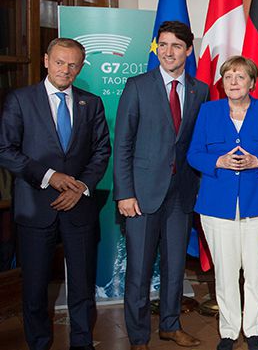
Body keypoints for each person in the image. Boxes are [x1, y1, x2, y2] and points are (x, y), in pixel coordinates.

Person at [0, 38, 110, 350]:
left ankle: (82, 342)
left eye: (73, 64)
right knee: (35, 287)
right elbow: (5, 150)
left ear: (80, 66)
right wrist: (50, 177)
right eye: (60, 62)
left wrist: (82, 187)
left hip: (79, 207)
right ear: (47, 60)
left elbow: (102, 151)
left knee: (82, 284)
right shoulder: (21, 100)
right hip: (35, 207)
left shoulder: (92, 103)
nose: (66, 69)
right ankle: (38, 343)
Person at [113, 21, 208, 350]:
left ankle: (170, 325)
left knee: (174, 266)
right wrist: (124, 193)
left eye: (176, 46)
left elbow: (196, 143)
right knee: (138, 270)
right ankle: (138, 337)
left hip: (181, 195)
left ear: (188, 50)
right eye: (163, 45)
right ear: (156, 48)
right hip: (141, 195)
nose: (169, 52)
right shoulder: (137, 86)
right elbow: (122, 144)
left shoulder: (200, 90)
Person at [187, 56, 258, 350]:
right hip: (216, 205)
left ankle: (252, 331)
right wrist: (218, 160)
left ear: (252, 82)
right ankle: (228, 331)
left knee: (255, 271)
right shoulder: (209, 111)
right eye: (228, 77)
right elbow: (193, 154)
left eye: (240, 77)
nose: (233, 82)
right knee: (225, 272)